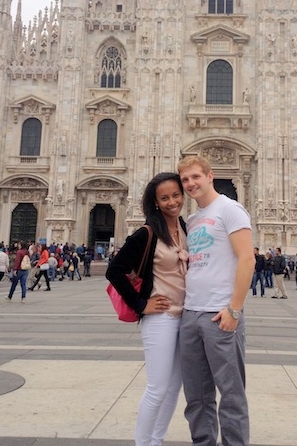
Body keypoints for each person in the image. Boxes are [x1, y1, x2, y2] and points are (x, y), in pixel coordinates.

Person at [177, 155, 255, 446]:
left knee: (231, 394)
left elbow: (247, 259)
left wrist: (234, 309)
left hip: (220, 315)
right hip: (191, 313)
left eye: (195, 177)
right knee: (196, 395)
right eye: (185, 179)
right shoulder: (194, 219)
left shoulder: (231, 209)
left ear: (210, 176)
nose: (190, 184)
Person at [106, 172, 188, 446]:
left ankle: (156, 440)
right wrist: (141, 304)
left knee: (174, 387)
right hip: (161, 318)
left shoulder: (184, 227)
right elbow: (114, 271)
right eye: (164, 198)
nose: (172, 201)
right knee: (157, 388)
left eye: (175, 195)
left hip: (184, 316)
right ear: (154, 202)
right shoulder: (146, 233)